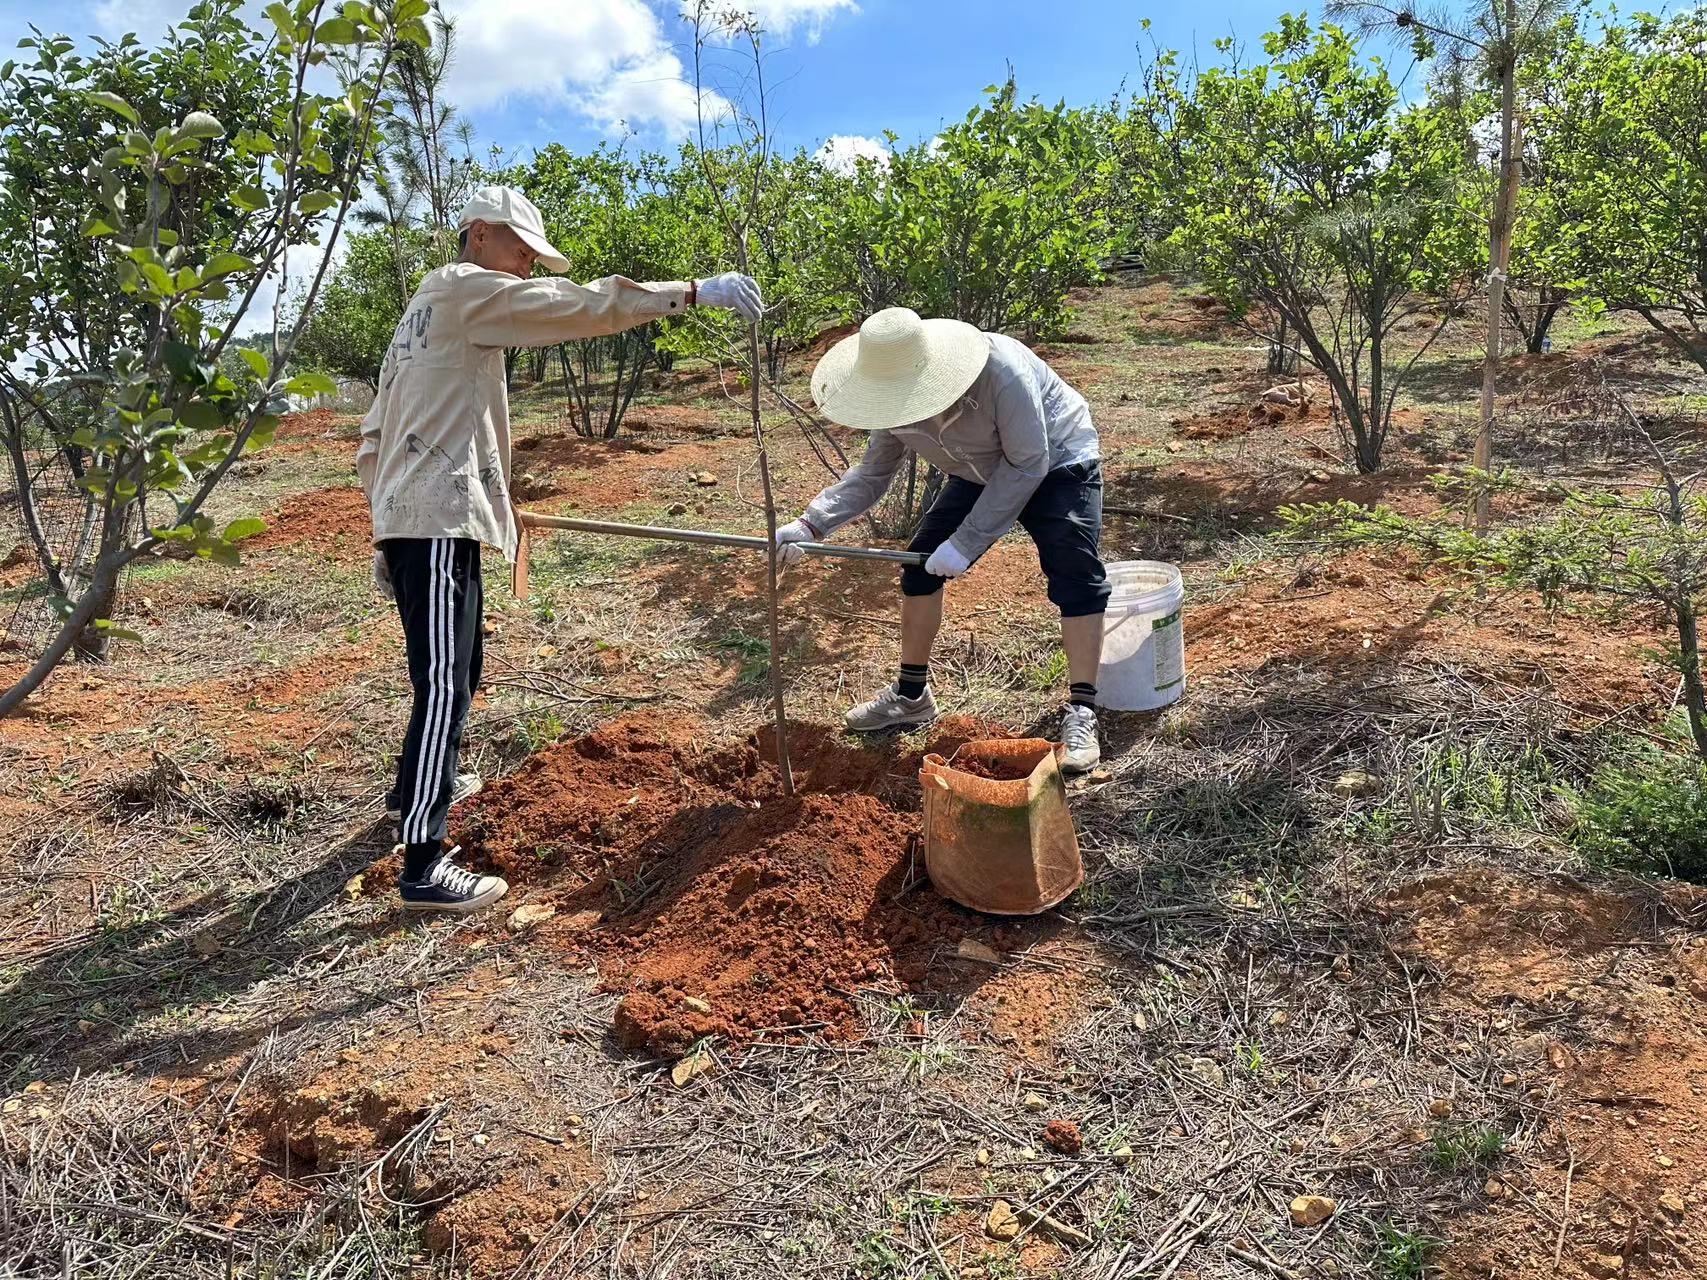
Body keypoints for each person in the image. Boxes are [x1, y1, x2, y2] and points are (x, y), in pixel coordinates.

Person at [356, 185, 763, 912]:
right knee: (447, 680)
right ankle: (422, 861)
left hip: (416, 512)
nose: (526, 268)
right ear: (477, 235)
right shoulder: (468, 293)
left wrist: (382, 521)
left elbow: (375, 429)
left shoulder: (421, 312)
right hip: (441, 514)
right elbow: (579, 306)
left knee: (452, 666)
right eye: (520, 250)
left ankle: (415, 788)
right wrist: (693, 293)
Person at [776, 307, 1108, 772]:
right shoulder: (890, 399)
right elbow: (873, 475)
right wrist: (811, 524)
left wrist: (966, 543)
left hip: (1057, 460)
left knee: (1075, 573)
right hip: (979, 470)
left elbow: (1028, 464)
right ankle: (911, 697)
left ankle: (1083, 711)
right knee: (919, 569)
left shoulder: (1000, 372)